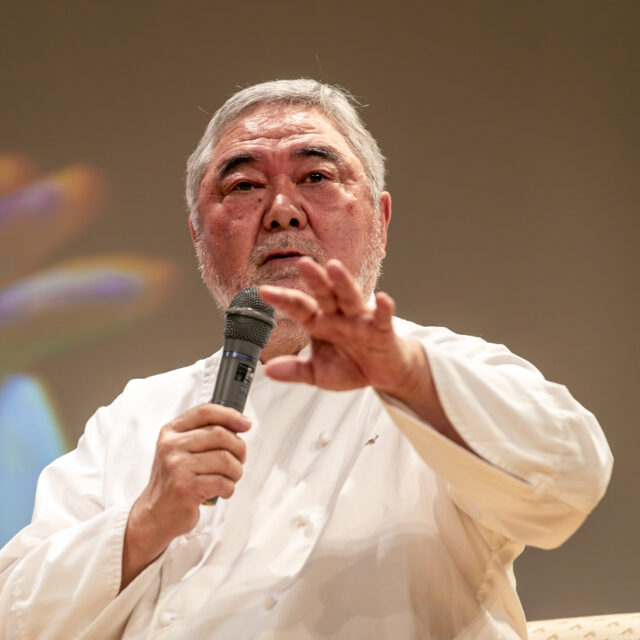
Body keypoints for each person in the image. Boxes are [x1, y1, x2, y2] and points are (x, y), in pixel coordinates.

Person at [0, 79, 612, 640]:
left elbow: (571, 482)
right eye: (244, 186)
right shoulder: (135, 417)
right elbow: (14, 616)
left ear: (379, 219)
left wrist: (403, 374)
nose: (282, 210)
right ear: (197, 236)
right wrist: (143, 524)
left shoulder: (441, 370)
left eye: (316, 176)